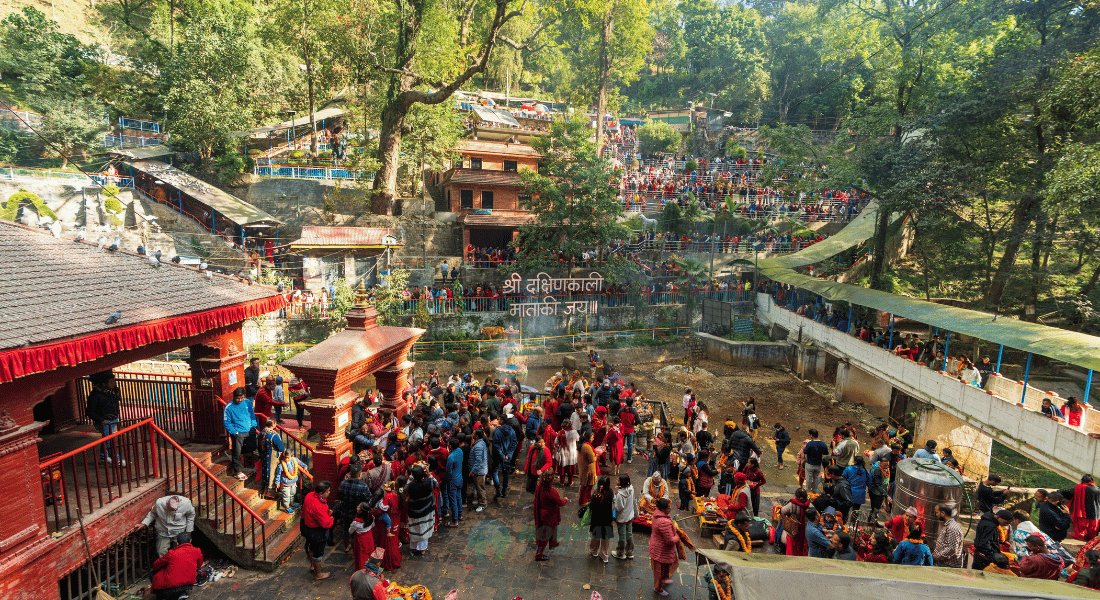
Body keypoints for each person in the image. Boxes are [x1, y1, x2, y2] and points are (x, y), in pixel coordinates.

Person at [149, 532, 203, 600]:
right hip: (189, 581)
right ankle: (181, 593)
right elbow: (199, 565)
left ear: (177, 543)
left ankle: (163, 595)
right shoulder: (197, 550)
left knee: (153, 574)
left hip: (171, 584)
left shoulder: (172, 553)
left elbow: (156, 565)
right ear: (190, 540)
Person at [86, 371, 125, 465]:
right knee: (109, 441)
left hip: (113, 419)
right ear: (104, 384)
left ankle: (104, 457)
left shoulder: (112, 391)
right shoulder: (95, 395)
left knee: (106, 439)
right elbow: (89, 411)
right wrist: (101, 419)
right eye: (112, 382)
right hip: (104, 421)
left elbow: (116, 401)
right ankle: (116, 460)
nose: (114, 384)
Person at [301, 480, 335, 580]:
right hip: (317, 532)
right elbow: (326, 523)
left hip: (307, 526)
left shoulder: (310, 495)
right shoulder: (318, 505)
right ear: (321, 493)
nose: (329, 493)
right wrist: (331, 518)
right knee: (318, 553)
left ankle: (312, 565)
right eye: (328, 491)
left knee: (311, 547)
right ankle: (318, 574)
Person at [533, 468, 568, 561]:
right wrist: (565, 500)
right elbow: (560, 503)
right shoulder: (551, 492)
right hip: (549, 516)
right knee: (545, 535)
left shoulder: (539, 486)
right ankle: (539, 555)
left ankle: (553, 542)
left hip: (542, 513)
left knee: (552, 529)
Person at [223, 387, 257, 481]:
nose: (240, 400)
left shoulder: (247, 402)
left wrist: (253, 425)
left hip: (249, 430)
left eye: (241, 397)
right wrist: (235, 432)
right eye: (238, 398)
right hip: (238, 432)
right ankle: (237, 471)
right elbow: (226, 422)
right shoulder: (228, 407)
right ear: (234, 397)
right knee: (237, 452)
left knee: (252, 447)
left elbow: (252, 414)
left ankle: (232, 452)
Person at [649, 498, 680, 597]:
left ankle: (664, 579)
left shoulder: (658, 515)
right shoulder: (663, 522)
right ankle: (658, 588)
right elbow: (670, 540)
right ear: (663, 509)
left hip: (659, 547)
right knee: (659, 570)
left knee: (665, 567)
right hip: (661, 550)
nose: (670, 509)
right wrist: (677, 537)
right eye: (669, 507)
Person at [339, 464, 372, 549]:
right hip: (357, 512)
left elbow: (340, 495)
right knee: (356, 531)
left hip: (345, 510)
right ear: (360, 474)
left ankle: (346, 546)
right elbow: (369, 498)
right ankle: (355, 548)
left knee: (346, 529)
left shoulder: (343, 483)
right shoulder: (363, 486)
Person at [407, 465, 438, 555]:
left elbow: (406, 487)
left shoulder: (411, 486)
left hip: (414, 512)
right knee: (424, 529)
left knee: (415, 529)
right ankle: (422, 548)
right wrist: (429, 474)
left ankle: (414, 547)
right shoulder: (428, 483)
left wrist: (410, 477)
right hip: (426, 511)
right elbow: (436, 483)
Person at [1061, 474, 1100, 541]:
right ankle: (1091, 537)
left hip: (1083, 511)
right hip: (1096, 511)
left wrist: (1059, 492)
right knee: (1093, 527)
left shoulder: (1079, 487)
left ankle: (1079, 535)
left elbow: (1068, 493)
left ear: (1082, 481)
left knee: (1080, 525)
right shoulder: (1097, 489)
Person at [589, 475, 616, 563]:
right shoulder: (610, 492)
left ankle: (594, 551)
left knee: (596, 536)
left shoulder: (596, 495)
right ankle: (604, 556)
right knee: (606, 539)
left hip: (597, 519)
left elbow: (591, 506)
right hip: (607, 519)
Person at [274, 449, 311, 513]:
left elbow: (300, 463)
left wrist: (305, 466)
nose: (286, 459)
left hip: (293, 482)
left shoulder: (295, 460)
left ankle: (291, 503)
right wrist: (277, 482)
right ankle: (287, 507)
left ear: (292, 456)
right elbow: (278, 474)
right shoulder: (281, 465)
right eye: (285, 457)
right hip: (285, 483)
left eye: (288, 458)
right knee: (286, 495)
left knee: (292, 493)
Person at [612, 474, 637, 560]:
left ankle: (620, 552)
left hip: (622, 519)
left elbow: (618, 508)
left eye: (618, 480)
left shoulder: (620, 495)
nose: (616, 481)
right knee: (629, 534)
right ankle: (629, 551)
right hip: (630, 516)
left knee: (622, 536)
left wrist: (615, 496)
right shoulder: (631, 489)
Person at [492, 415, 517, 499]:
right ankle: (504, 490)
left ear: (502, 421)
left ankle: (498, 490)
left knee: (495, 472)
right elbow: (514, 444)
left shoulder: (497, 431)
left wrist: (502, 455)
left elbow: (496, 446)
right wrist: (508, 455)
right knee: (506, 473)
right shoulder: (512, 431)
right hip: (507, 456)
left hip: (498, 456)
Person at [259, 418, 286, 497]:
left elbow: (259, 445)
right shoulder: (273, 435)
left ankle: (264, 490)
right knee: (271, 472)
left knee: (264, 471)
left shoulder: (261, 433)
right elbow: (281, 448)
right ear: (273, 425)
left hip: (263, 455)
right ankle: (269, 492)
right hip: (272, 456)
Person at [780, 489, 811, 556]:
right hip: (805, 532)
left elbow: (782, 511)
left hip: (793, 531)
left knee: (792, 546)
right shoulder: (809, 505)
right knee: (803, 547)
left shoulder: (792, 504)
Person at [347, 503, 376, 574]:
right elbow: (373, 525)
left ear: (360, 511)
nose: (357, 507)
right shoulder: (371, 517)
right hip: (369, 536)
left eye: (358, 507)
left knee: (362, 556)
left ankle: (362, 572)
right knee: (370, 552)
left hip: (361, 539)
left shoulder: (356, 522)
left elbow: (350, 531)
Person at [843, 456, 870, 524]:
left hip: (849, 492)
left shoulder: (848, 469)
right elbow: (869, 483)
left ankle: (843, 522)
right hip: (860, 494)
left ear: (855, 462)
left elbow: (843, 479)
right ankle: (853, 523)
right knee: (856, 510)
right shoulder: (866, 472)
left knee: (846, 509)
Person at [443, 438, 464, 526]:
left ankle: (454, 521)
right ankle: (460, 515)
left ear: (450, 446)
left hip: (453, 480)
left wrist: (445, 481)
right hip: (460, 478)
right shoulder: (460, 451)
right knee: (458, 497)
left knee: (453, 500)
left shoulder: (450, 457)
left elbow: (448, 472)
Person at [802, 429, 829, 493]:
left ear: (811, 435)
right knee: (816, 477)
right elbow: (826, 452)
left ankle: (808, 490)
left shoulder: (810, 444)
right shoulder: (823, 444)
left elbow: (805, 451)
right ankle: (815, 490)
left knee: (809, 477)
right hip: (818, 464)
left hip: (810, 463)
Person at [469, 429, 489, 512]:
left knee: (480, 488)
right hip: (480, 470)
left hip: (479, 471)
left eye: (473, 433)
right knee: (478, 487)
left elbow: (478, 461)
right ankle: (479, 500)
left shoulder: (478, 446)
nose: (472, 434)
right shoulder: (481, 443)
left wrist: (473, 471)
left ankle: (483, 504)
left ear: (476, 436)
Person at [578, 430, 598, 506]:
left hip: (584, 468)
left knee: (585, 486)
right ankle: (583, 501)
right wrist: (596, 455)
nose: (593, 439)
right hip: (588, 469)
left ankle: (586, 498)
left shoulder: (583, 445)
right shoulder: (587, 447)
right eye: (592, 437)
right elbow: (592, 459)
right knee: (586, 486)